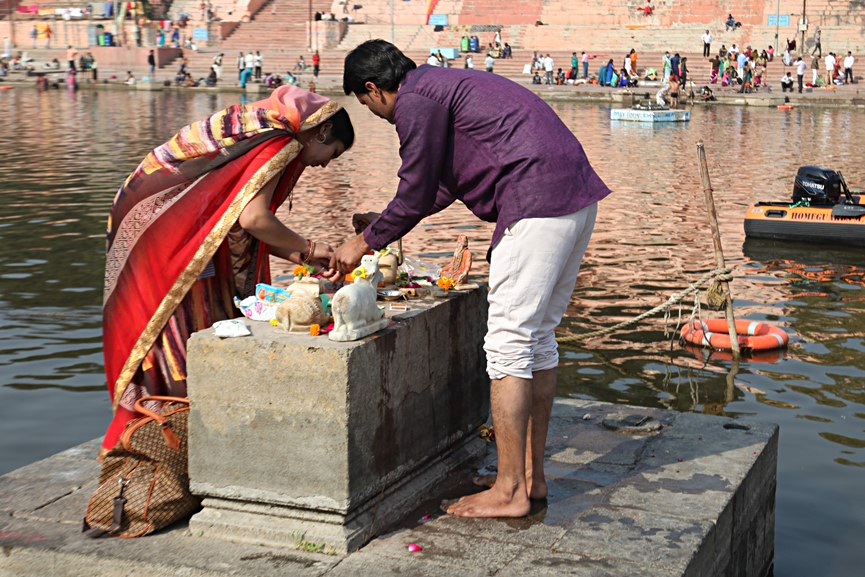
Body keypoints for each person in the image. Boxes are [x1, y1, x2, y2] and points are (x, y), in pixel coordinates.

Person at [336, 40, 610, 518]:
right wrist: (384, 222)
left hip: (536, 200)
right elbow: (441, 185)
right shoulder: (442, 85)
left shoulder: (416, 100)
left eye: (366, 105)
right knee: (537, 338)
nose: (374, 114)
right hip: (573, 195)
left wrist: (363, 243)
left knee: (507, 344)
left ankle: (509, 492)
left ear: (374, 90)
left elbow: (416, 189)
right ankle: (529, 477)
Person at [99, 86, 354, 457]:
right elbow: (254, 219)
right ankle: (167, 431)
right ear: (323, 131)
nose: (325, 164)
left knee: (195, 318)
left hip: (156, 224)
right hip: (164, 232)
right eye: (332, 154)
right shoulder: (278, 141)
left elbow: (236, 217)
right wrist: (311, 248)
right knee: (172, 323)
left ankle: (174, 429)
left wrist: (307, 258)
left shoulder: (259, 129)